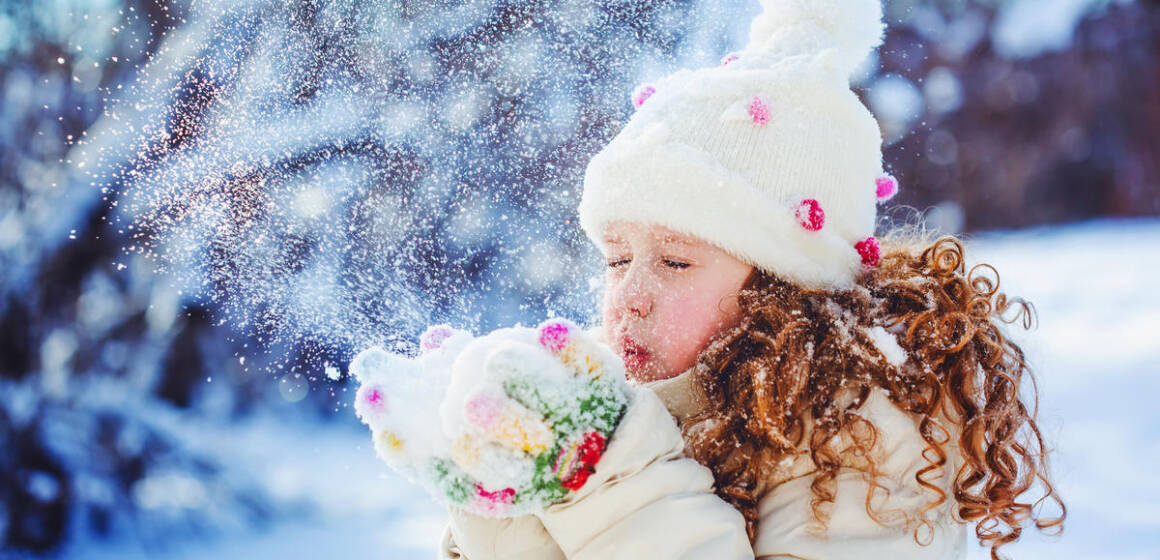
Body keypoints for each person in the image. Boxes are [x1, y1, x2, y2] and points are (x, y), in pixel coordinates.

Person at [437, 0, 1065, 558]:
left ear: (783, 288)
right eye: (617, 259)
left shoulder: (866, 434)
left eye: (676, 262)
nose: (628, 299)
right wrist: (506, 486)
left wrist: (605, 477)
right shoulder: (624, 397)